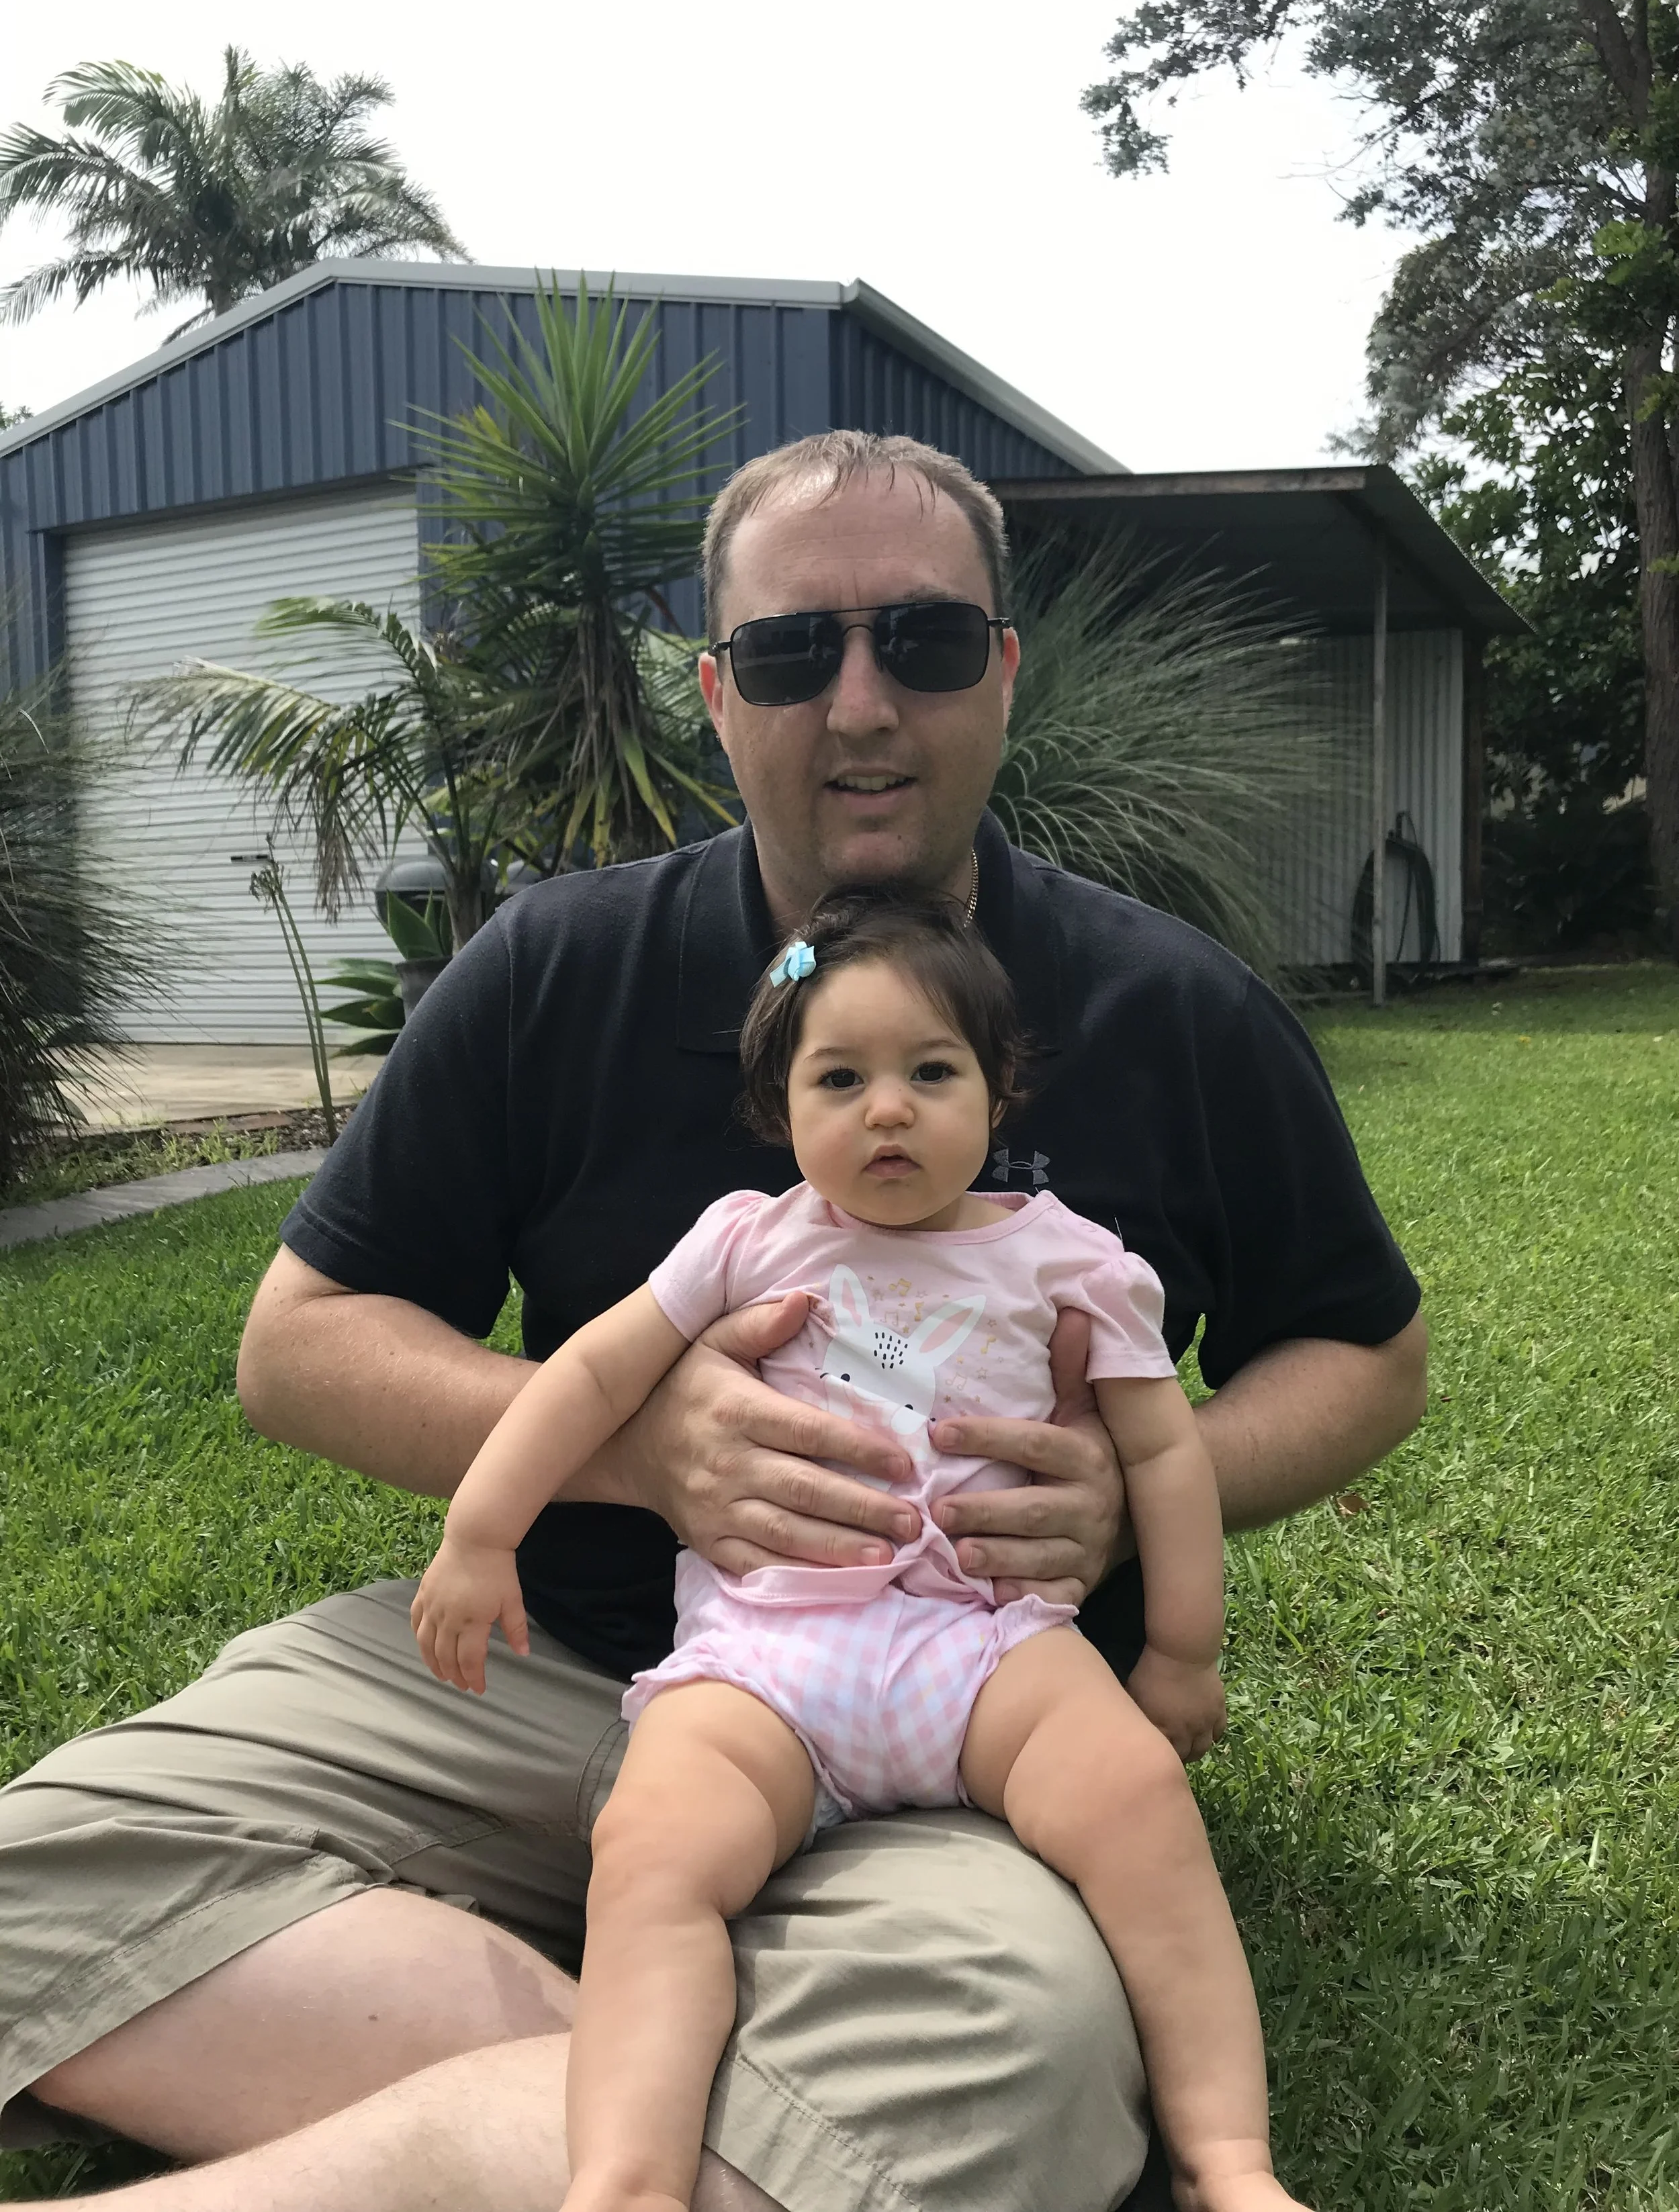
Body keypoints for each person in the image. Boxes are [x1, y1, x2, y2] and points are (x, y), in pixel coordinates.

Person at [0, 430, 1426, 2212]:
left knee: (1013, 2053)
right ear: (712, 694)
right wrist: (639, 1449)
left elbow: (1366, 1349)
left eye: (916, 641)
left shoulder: (1172, 1008)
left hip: (946, 1728)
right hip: (534, 1662)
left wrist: (1156, 1481)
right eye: (787, 652)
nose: (855, 706)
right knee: (29, 1872)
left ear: (997, 666)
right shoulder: (555, 966)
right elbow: (298, 1342)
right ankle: (646, 2086)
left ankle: (540, 2120)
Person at [412, 883, 1308, 2212]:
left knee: (1134, 1804)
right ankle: (626, 2178)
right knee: (655, 1853)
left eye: (928, 1070)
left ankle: (1227, 2163)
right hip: (765, 1656)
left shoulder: (1069, 1263)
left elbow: (1164, 1455)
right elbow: (590, 1375)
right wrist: (482, 1528)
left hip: (984, 1645)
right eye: (841, 1075)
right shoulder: (744, 1240)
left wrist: (1178, 1646)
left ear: (998, 1093)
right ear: (782, 1109)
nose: (886, 1106)